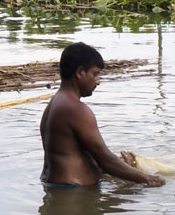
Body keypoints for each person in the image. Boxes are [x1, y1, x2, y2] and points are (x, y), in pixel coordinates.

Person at [39, 42, 165, 187]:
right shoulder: (76, 109)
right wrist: (148, 179)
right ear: (80, 72)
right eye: (95, 74)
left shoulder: (55, 103)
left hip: (58, 187)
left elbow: (75, 154)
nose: (97, 81)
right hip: (74, 194)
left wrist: (121, 163)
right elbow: (105, 160)